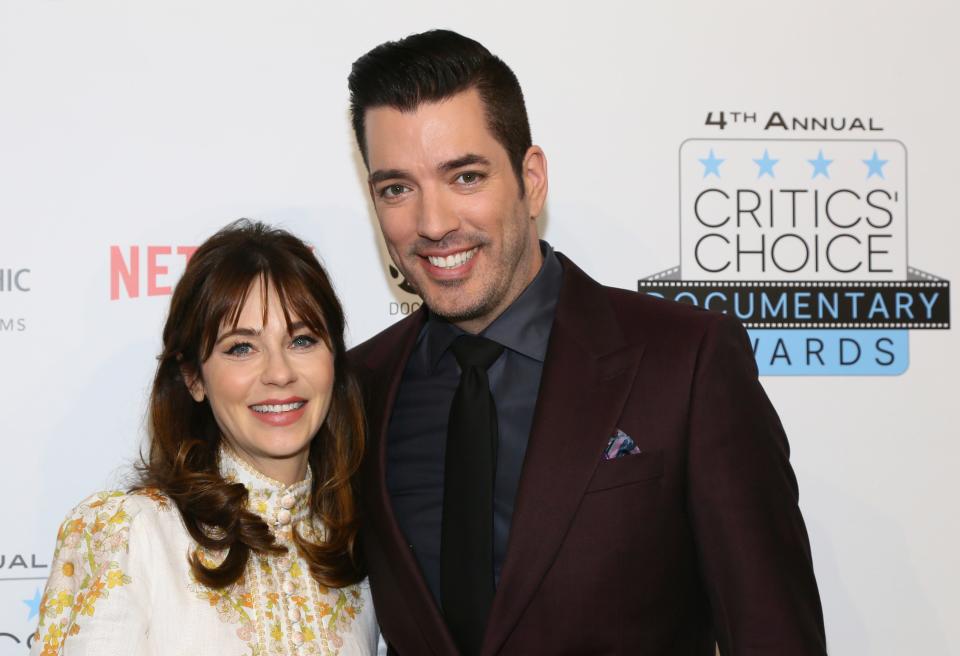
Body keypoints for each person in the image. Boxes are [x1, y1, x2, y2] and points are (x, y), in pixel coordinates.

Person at [346, 30, 826, 656]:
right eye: (396, 189)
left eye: (465, 176)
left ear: (532, 179)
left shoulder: (685, 362)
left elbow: (772, 634)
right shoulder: (359, 387)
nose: (433, 224)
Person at [31, 221, 378, 655]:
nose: (280, 373)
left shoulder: (353, 548)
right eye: (241, 348)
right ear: (193, 378)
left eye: (303, 340)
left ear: (335, 362)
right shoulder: (129, 534)